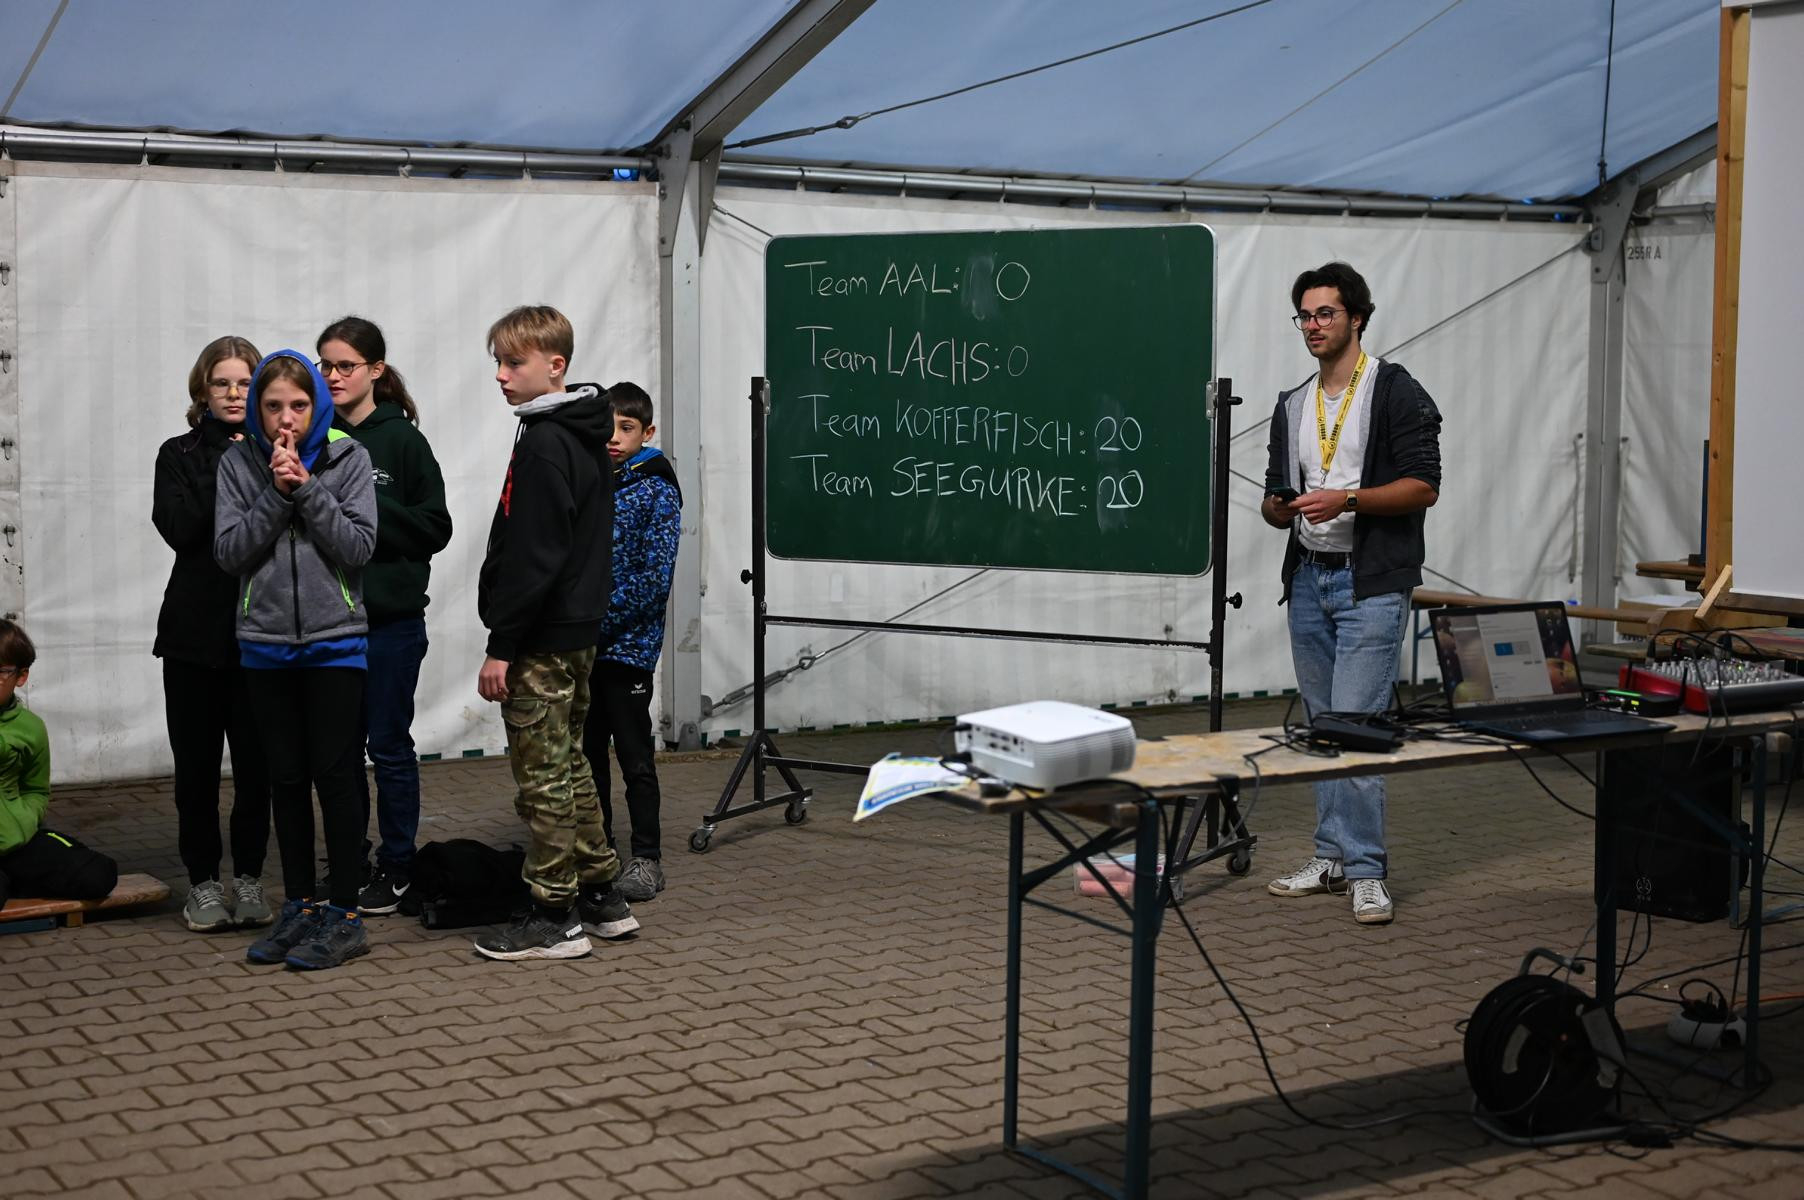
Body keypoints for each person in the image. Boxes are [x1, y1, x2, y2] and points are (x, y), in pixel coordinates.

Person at [1260, 262, 1442, 926]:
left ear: (1357, 318)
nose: (1313, 326)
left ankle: (1368, 871)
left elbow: (1424, 486)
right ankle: (1331, 857)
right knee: (1323, 728)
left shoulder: (1394, 390)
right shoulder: (1292, 403)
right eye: (1305, 316)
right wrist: (1280, 508)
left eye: (1326, 314)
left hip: (1370, 583)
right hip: (1309, 578)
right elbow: (1273, 499)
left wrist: (1349, 499)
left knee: (1357, 728)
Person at [473, 305, 637, 961]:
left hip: (543, 637)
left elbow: (534, 557)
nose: (502, 375)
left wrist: (502, 646)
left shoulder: (547, 443)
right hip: (576, 630)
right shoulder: (581, 430)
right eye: (498, 363)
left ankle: (553, 917)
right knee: (570, 766)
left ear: (555, 365)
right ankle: (603, 896)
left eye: (514, 362)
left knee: (543, 780)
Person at [214, 351, 377, 969]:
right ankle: (300, 906)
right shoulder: (237, 463)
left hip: (337, 645)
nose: (287, 418)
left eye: (300, 405)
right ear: (258, 408)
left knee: (336, 778)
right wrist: (276, 495)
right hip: (265, 646)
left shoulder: (348, 457)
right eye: (274, 405)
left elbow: (358, 547)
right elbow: (230, 553)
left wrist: (306, 488)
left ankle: (345, 915)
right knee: (285, 780)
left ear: (319, 408)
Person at [316, 317, 453, 916]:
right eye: (325, 365)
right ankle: (349, 860)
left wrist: (367, 504)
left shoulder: (403, 442)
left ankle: (398, 866)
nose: (333, 376)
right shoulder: (313, 438)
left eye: (345, 365)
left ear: (375, 370)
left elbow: (436, 527)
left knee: (389, 747)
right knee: (337, 753)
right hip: (328, 625)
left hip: (390, 626)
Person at [152, 336, 274, 932]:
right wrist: (225, 463)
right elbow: (180, 529)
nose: (233, 393)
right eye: (221, 382)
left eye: (245, 383)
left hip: (259, 637)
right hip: (193, 638)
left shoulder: (276, 452)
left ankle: (249, 878)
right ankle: (201, 883)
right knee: (196, 771)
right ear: (202, 390)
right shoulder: (177, 453)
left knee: (257, 771)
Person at [583, 382, 681, 901]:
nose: (614, 438)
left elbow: (653, 582)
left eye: (626, 428)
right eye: (608, 428)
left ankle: (647, 858)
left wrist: (595, 621)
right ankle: (598, 849)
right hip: (584, 649)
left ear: (648, 432)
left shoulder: (658, 489)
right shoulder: (591, 481)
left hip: (628, 649)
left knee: (634, 756)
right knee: (588, 754)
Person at [0, 620, 119, 910]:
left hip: (17, 842)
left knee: (98, 875)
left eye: (0, 672)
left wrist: (23, 821)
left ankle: (11, 880)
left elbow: (36, 790)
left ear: (21, 676)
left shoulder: (30, 728)